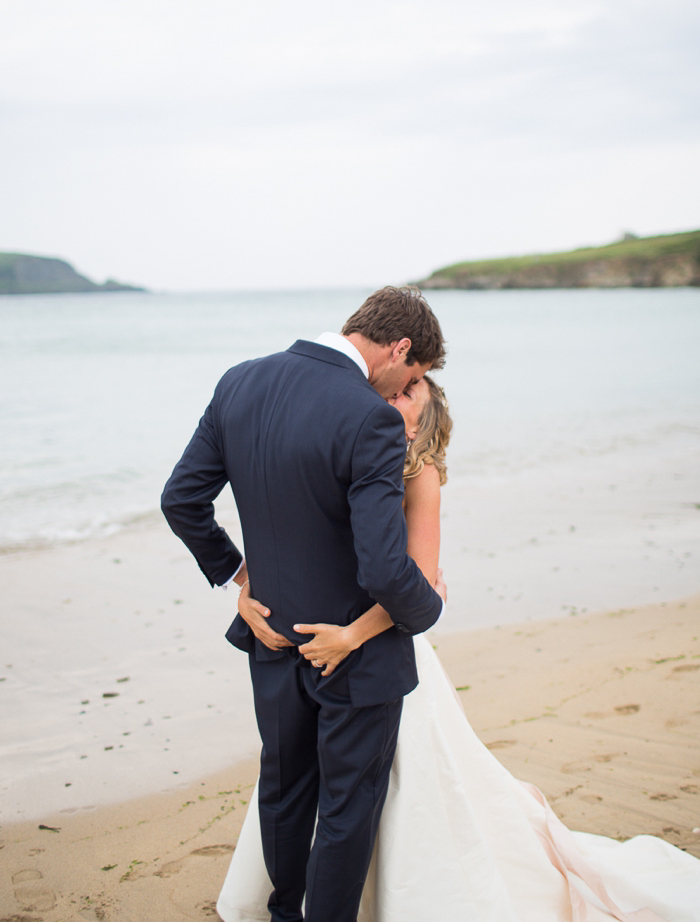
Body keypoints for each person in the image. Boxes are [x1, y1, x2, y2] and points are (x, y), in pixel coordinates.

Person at [217, 378, 700, 922]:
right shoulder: (335, 445)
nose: (396, 396)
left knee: (392, 790)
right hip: (307, 653)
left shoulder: (417, 475)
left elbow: (419, 582)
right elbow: (288, 539)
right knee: (307, 785)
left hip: (376, 648)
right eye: (393, 389)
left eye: (410, 392)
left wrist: (351, 635)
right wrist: (248, 592)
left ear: (424, 419)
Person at [161, 287, 447, 922]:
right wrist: (424, 612)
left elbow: (181, 500)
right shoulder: (368, 416)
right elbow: (380, 564)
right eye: (414, 374)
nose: (404, 387)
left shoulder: (240, 381)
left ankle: (285, 913)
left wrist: (240, 577)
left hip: (269, 635)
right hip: (352, 650)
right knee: (347, 806)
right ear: (400, 348)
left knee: (284, 792)